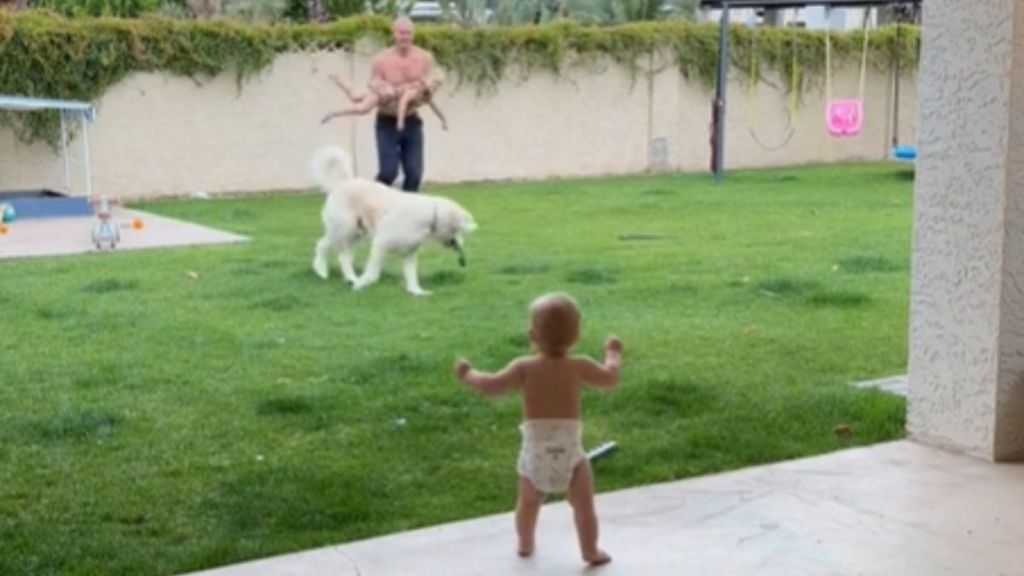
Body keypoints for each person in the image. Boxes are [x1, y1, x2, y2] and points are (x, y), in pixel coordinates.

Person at [454, 293, 622, 566]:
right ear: (577, 335)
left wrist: (468, 374)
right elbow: (611, 378)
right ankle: (590, 550)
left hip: (535, 453)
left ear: (531, 333)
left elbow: (491, 386)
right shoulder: (579, 366)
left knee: (528, 504)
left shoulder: (524, 367)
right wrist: (613, 353)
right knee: (584, 506)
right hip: (571, 454)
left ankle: (525, 542)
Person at [346, 16, 442, 192]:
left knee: (414, 174)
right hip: (387, 121)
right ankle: (372, 201)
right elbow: (372, 86)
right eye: (401, 33)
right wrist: (384, 89)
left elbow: (432, 84)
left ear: (413, 34)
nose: (405, 37)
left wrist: (428, 88)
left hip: (411, 120)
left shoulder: (424, 58)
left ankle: (407, 212)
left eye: (408, 33)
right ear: (394, 34)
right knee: (388, 172)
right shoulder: (381, 60)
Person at [321, 73, 448, 132]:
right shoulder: (416, 90)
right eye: (434, 84)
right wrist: (400, 122)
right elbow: (403, 102)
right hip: (383, 94)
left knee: (354, 97)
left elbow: (436, 109)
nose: (435, 87)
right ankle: (333, 113)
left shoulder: (427, 97)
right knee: (362, 109)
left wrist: (443, 121)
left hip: (384, 95)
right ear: (426, 82)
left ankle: (338, 80)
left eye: (438, 86)